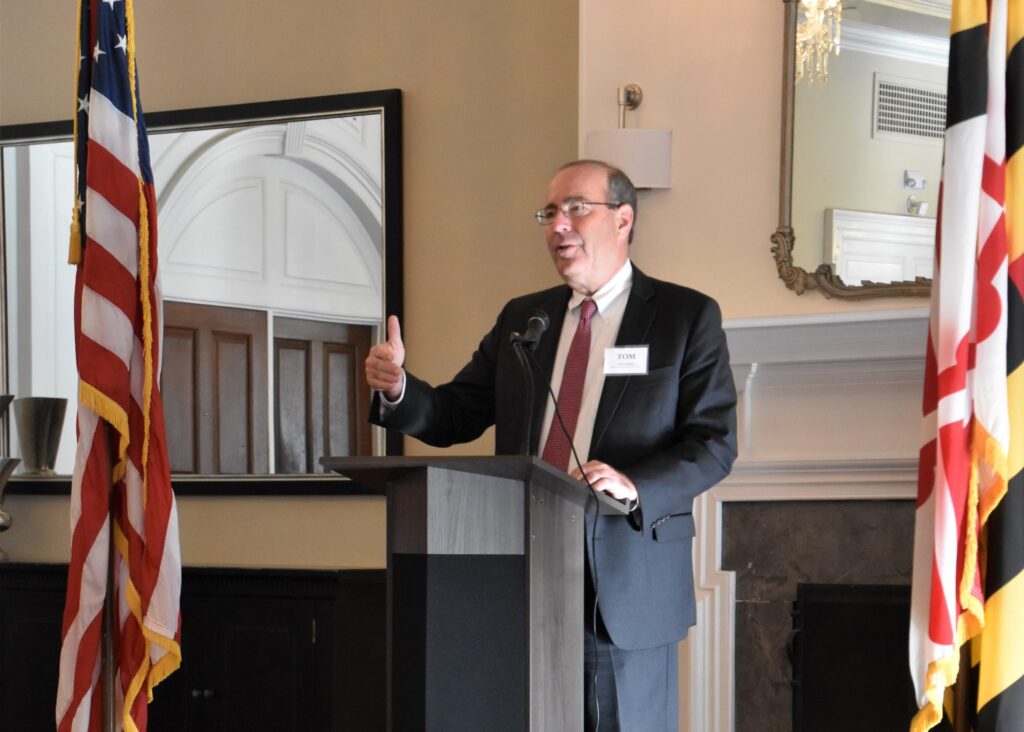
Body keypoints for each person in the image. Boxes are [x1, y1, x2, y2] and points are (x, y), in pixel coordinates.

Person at [365, 160, 737, 731]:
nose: (557, 226)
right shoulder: (525, 318)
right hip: (522, 573)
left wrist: (634, 485)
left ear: (623, 219)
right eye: (549, 213)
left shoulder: (684, 317)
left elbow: (713, 442)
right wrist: (400, 391)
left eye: (575, 209)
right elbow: (457, 413)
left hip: (624, 582)